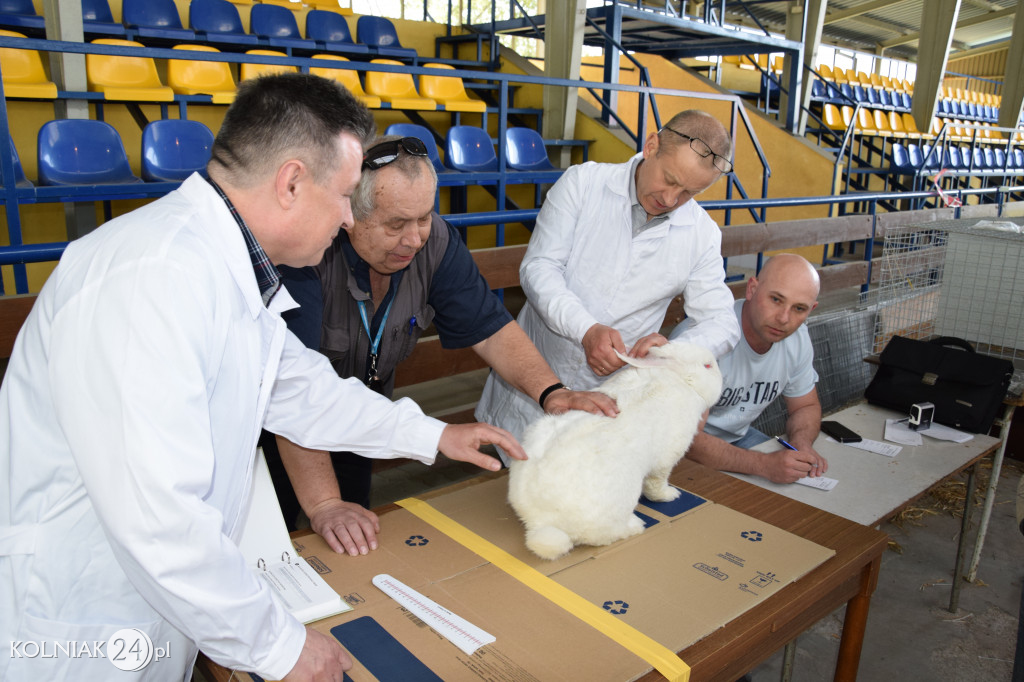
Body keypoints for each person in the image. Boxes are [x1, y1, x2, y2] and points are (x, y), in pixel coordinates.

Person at [0, 74, 526, 682]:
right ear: (292, 182)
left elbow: (303, 392)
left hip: (146, 608)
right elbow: (159, 517)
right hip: (80, 618)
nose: (347, 219)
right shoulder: (152, 278)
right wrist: (280, 647)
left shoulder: (225, 271)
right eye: (346, 196)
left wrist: (433, 436)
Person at [270, 134, 619, 557]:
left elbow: (490, 329)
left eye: (424, 217)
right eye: (396, 224)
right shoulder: (308, 255)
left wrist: (552, 391)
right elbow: (291, 392)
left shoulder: (435, 242)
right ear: (349, 213)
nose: (414, 239)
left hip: (366, 422)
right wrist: (323, 503)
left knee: (349, 543)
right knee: (275, 544)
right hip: (281, 434)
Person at [476, 110, 742, 456]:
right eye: (669, 178)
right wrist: (586, 329)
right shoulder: (582, 184)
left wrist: (671, 353)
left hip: (610, 403)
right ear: (651, 145)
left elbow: (722, 322)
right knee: (505, 490)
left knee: (586, 492)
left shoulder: (702, 233)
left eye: (689, 192)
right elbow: (539, 268)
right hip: (531, 385)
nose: (671, 199)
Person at [679, 253, 827, 483]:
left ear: (811, 309)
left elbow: (805, 406)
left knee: (801, 488)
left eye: (799, 309)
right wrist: (763, 465)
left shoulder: (798, 339)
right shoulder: (706, 337)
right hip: (678, 450)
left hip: (739, 438)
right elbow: (686, 438)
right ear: (752, 289)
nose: (784, 318)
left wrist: (802, 443)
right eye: (776, 299)